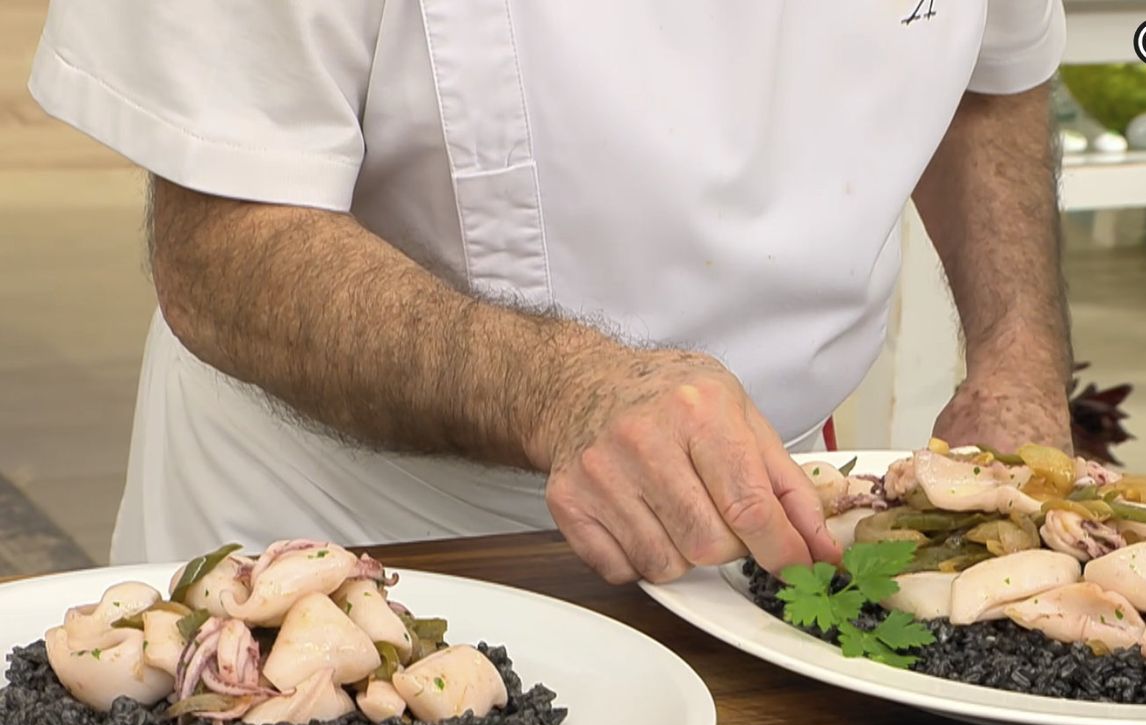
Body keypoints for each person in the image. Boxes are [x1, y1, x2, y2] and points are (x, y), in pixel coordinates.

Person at [29, 1, 1073, 584]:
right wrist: (562, 388)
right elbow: (222, 250)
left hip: (768, 528)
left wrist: (1020, 364)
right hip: (341, 533)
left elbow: (995, 74)